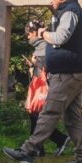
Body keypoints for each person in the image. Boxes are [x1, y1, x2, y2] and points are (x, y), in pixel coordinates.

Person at [4, 0, 82, 163]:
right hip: (72, 72)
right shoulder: (69, 11)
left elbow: (61, 37)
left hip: (67, 73)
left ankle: (28, 151)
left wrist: (43, 34)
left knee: (49, 112)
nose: (50, 1)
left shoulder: (70, 12)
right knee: (72, 117)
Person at [22, 19, 69, 156]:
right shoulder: (41, 48)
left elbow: (45, 70)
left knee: (38, 117)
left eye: (29, 35)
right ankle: (39, 149)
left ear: (34, 33)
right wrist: (32, 66)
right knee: (35, 116)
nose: (28, 38)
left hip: (44, 89)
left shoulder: (43, 49)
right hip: (42, 87)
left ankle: (59, 140)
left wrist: (35, 66)